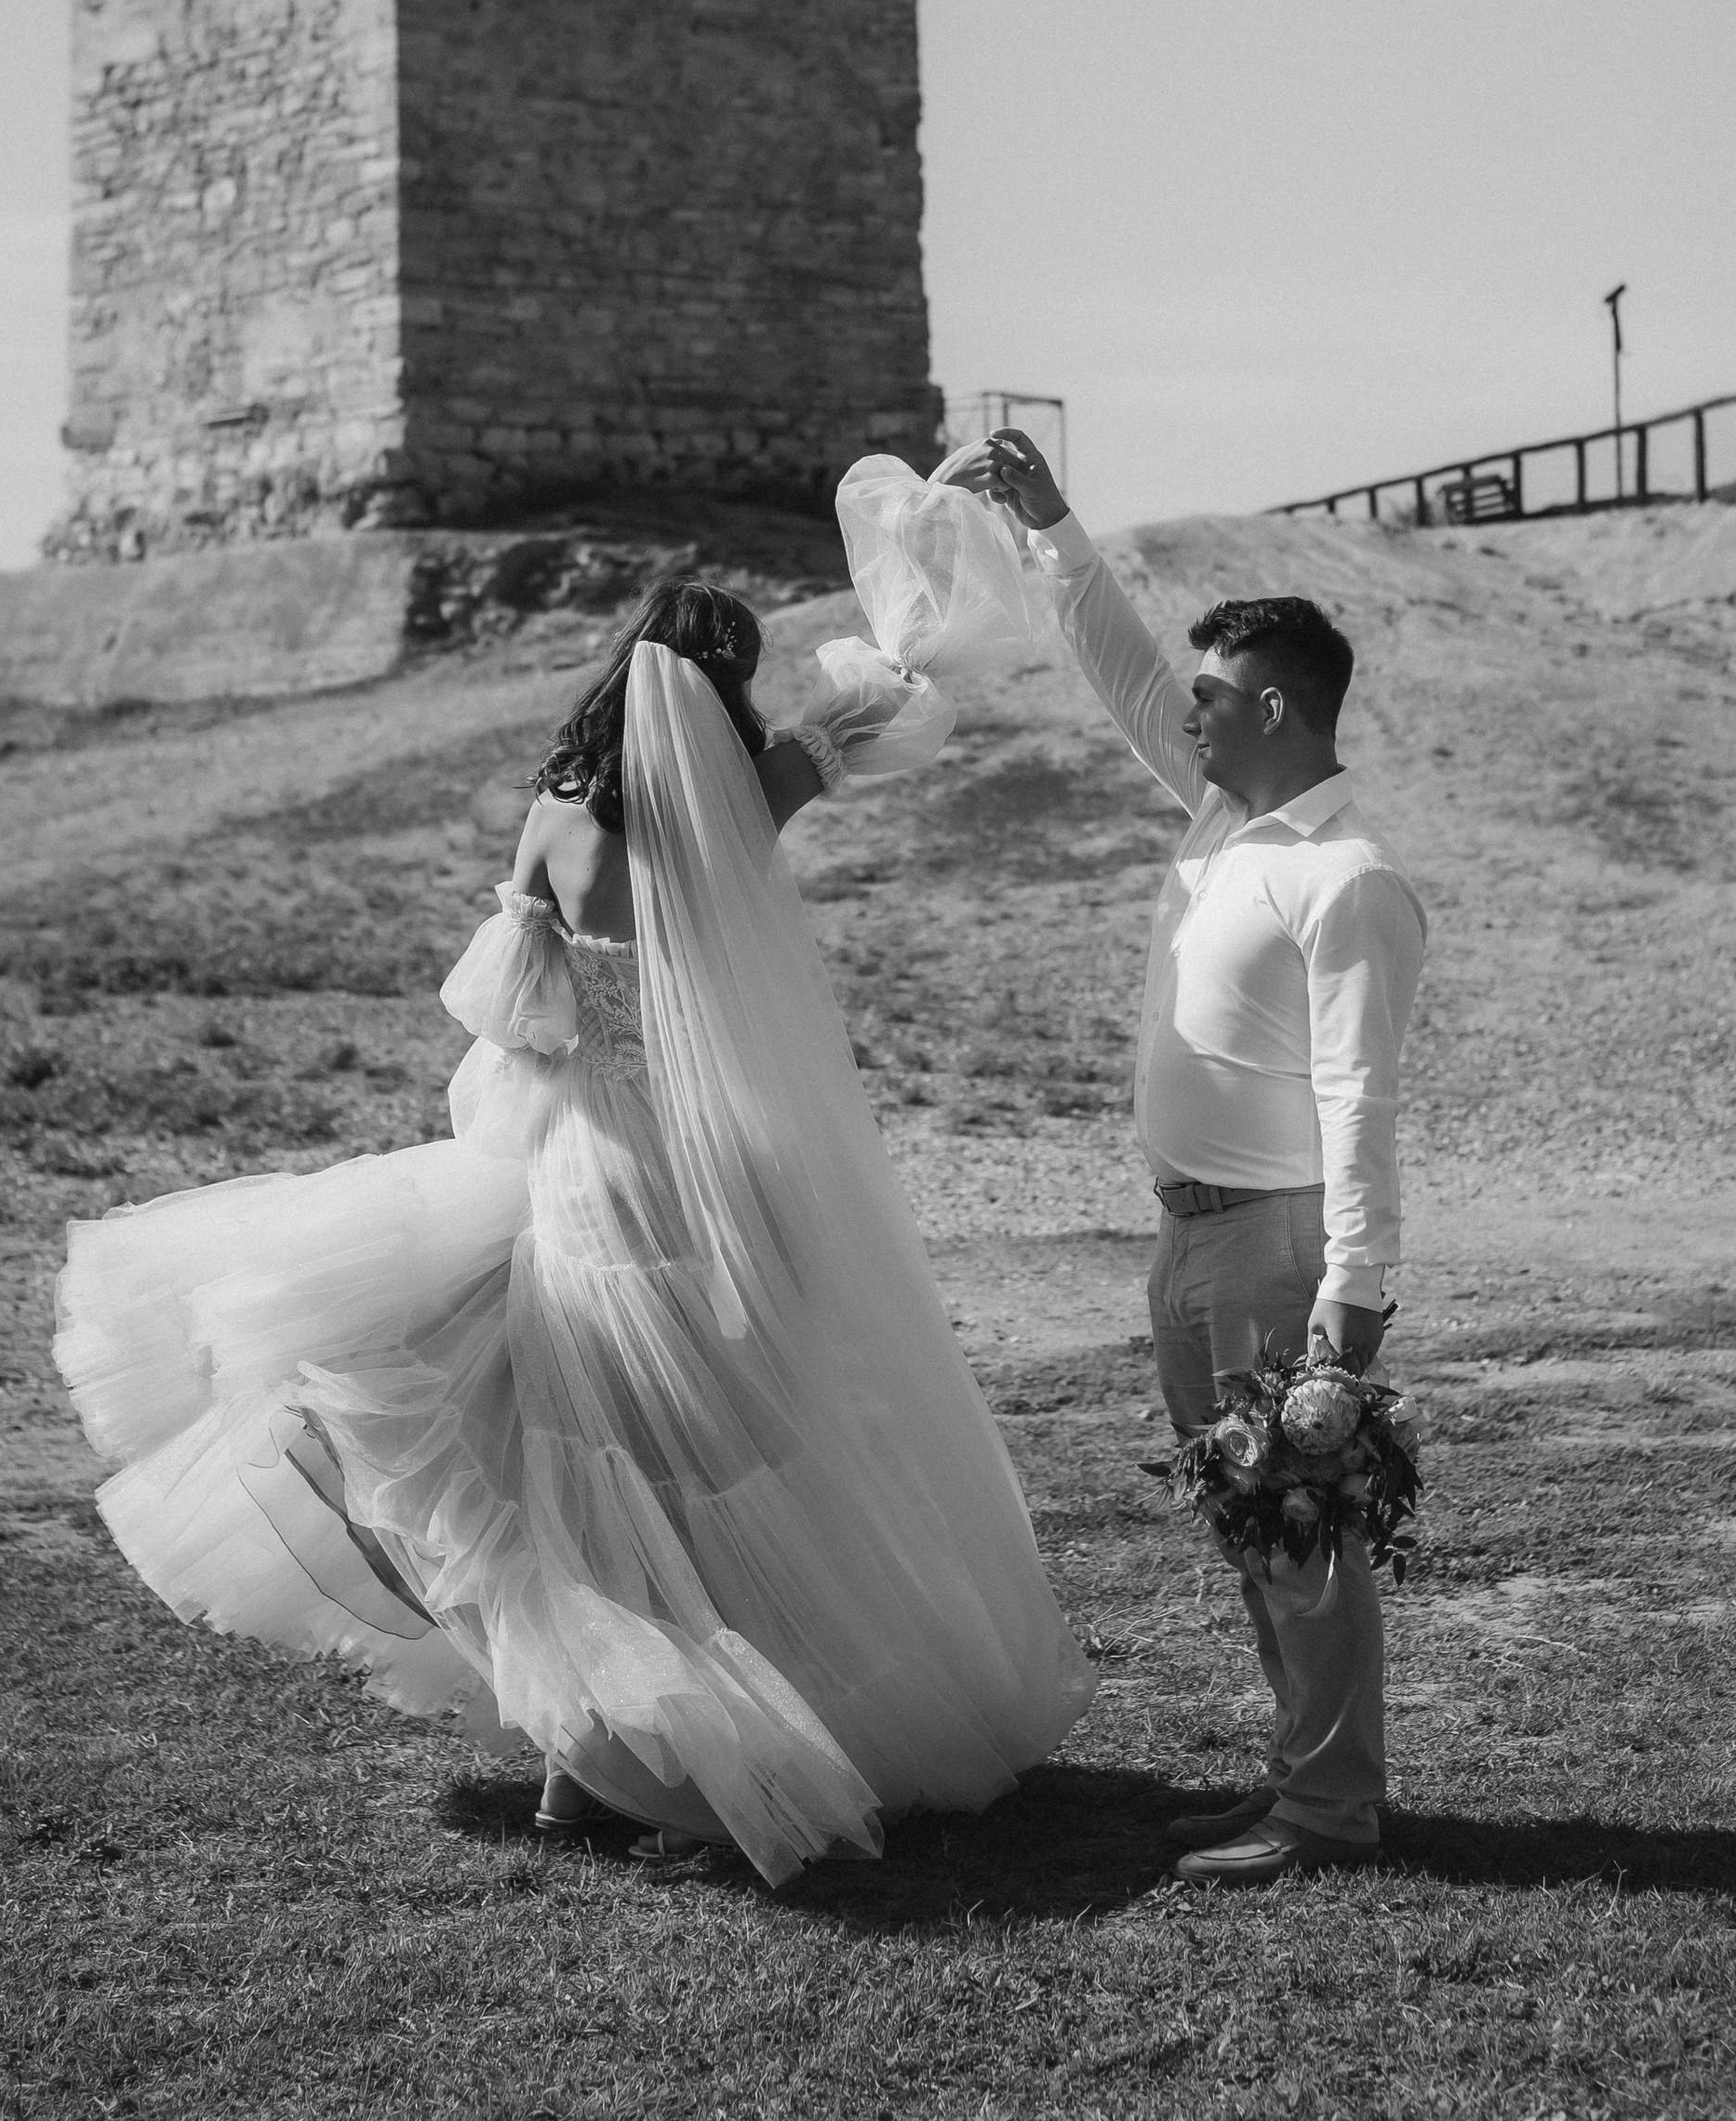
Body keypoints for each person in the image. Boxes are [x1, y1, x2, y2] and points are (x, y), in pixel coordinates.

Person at [55, 575, 1093, 1888]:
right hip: (681, 1155)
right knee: (699, 1449)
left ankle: (574, 1766)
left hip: (561, 1154)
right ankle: (675, 1758)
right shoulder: (736, 800)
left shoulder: (555, 814)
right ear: (720, 689)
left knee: (564, 1448)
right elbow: (869, 732)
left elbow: (508, 1006)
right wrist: (893, 665)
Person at [961, 431, 1426, 1885]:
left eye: (1214, 698)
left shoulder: (1345, 882)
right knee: (1252, 1523)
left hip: (1279, 1248)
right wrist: (1051, 526)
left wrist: (1355, 1298)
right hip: (1188, 1238)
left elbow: (1360, 1097)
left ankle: (1332, 1814)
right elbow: (1121, 669)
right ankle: (1295, 1783)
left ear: (1275, 706)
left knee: (1302, 1535)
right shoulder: (1224, 817)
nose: (1188, 716)